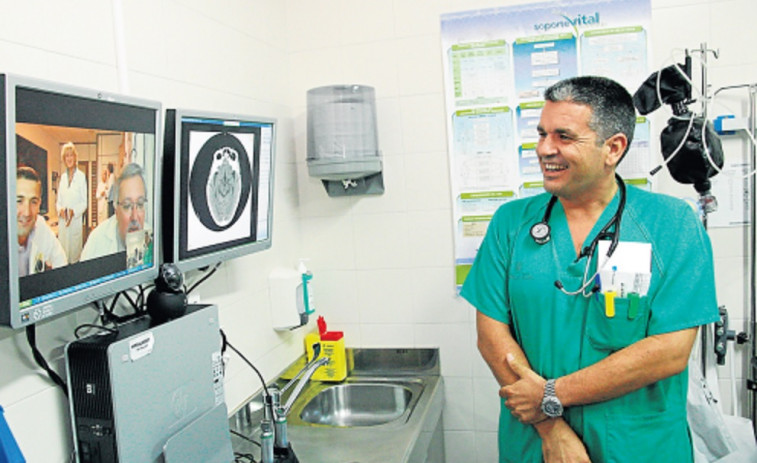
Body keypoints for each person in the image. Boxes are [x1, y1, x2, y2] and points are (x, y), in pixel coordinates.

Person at [461, 76, 719, 463]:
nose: (544, 149)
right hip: (537, 446)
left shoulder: (673, 225)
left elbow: (669, 352)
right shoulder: (511, 224)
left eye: (563, 136)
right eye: (542, 133)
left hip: (638, 446)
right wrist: (551, 427)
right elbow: (491, 335)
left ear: (613, 148)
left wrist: (552, 395)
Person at [80, 163, 148, 262]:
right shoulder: (96, 242)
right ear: (116, 209)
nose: (135, 217)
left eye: (140, 204)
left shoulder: (153, 242)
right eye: (127, 206)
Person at [16, 166, 68, 276]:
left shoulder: (39, 226)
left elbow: (61, 263)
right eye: (19, 201)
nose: (27, 212)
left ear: (39, 204)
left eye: (33, 202)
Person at [56, 142, 88, 263]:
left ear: (75, 157)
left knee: (74, 258)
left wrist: (73, 211)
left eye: (71, 155)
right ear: (64, 159)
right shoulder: (63, 178)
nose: (69, 158)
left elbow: (84, 202)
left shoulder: (81, 176)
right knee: (63, 258)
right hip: (63, 223)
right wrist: (60, 210)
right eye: (66, 156)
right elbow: (58, 201)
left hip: (75, 222)